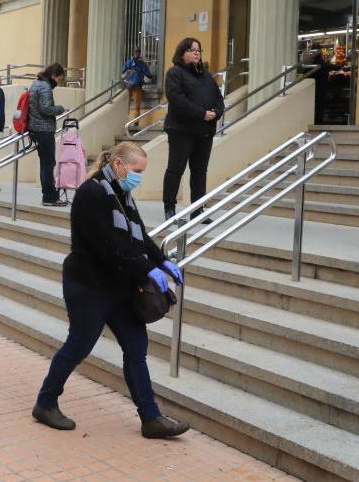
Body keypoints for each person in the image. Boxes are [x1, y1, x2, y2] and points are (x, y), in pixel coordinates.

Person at [33, 142, 189, 439]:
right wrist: (147, 270)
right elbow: (108, 246)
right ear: (118, 164)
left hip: (120, 286)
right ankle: (45, 402)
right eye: (136, 170)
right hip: (89, 285)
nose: (139, 177)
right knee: (78, 345)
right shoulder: (91, 193)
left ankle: (151, 418)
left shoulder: (122, 193)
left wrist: (163, 261)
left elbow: (140, 236)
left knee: (136, 350)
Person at [162, 37, 224, 222]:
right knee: (176, 170)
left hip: (204, 132)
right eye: (192, 49)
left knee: (199, 171)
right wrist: (201, 113)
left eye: (199, 50)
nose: (197, 52)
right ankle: (169, 209)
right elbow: (177, 99)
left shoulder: (206, 75)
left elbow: (218, 97)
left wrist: (216, 112)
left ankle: (198, 211)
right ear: (182, 53)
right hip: (182, 130)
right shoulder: (175, 73)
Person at [29, 63, 69, 206]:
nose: (58, 83)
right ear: (54, 75)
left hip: (35, 128)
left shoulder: (36, 83)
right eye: (59, 79)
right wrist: (61, 109)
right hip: (44, 129)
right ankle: (50, 197)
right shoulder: (45, 87)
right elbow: (46, 108)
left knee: (44, 163)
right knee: (48, 164)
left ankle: (48, 195)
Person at [122, 48, 155, 117]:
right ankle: (125, 120)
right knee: (126, 106)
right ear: (133, 52)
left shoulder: (142, 64)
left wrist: (145, 76)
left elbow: (148, 76)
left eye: (138, 52)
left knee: (137, 105)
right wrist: (128, 73)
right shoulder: (129, 62)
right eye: (136, 52)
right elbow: (123, 74)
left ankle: (136, 122)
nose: (137, 53)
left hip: (137, 86)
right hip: (128, 86)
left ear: (140, 53)